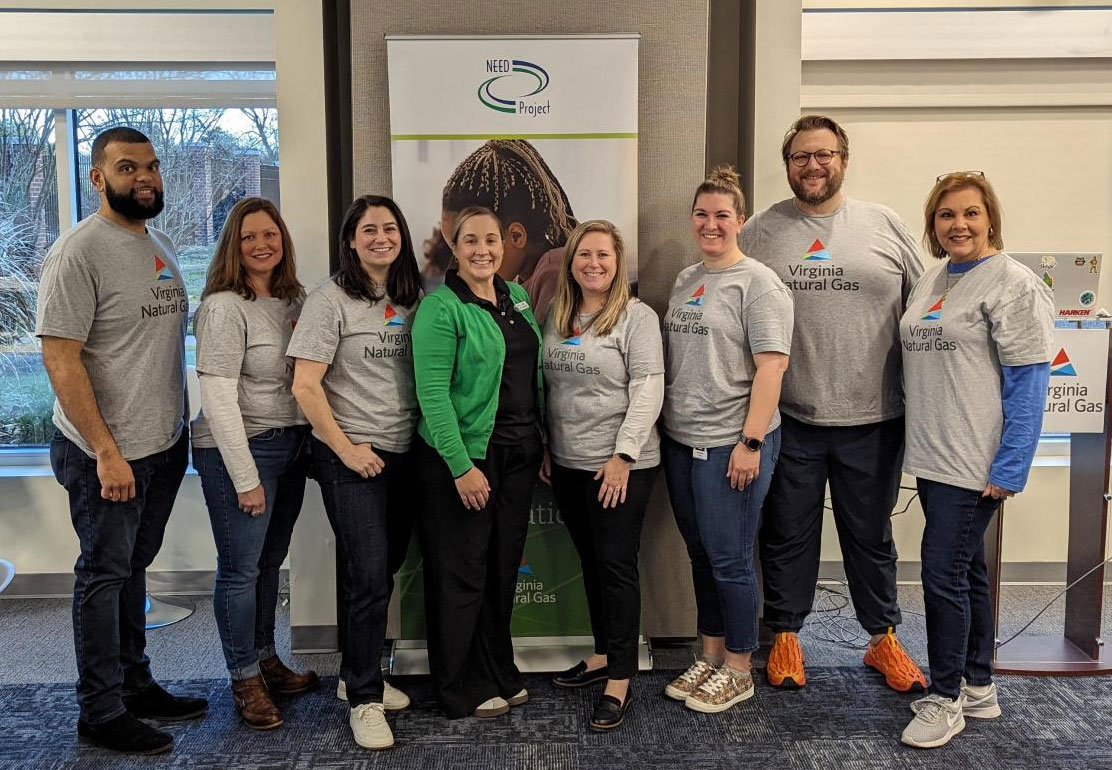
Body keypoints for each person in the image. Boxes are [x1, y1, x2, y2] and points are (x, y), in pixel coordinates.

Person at [739, 115, 927, 692]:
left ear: (843, 159)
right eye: (800, 156)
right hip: (790, 418)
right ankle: (788, 637)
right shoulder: (760, 231)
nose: (812, 165)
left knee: (870, 535)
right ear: (788, 163)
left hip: (875, 419)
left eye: (823, 155)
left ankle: (883, 640)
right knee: (786, 533)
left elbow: (923, 310)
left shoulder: (884, 225)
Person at [35, 126, 206, 755]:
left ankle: (137, 684)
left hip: (161, 444)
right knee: (103, 576)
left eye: (152, 167)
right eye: (129, 168)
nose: (146, 178)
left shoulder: (154, 240)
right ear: (97, 178)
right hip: (104, 451)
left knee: (133, 567)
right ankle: (100, 711)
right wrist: (106, 449)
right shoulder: (77, 252)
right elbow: (60, 359)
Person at [899, 172, 1052, 748]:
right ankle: (978, 685)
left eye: (970, 214)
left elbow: (1029, 382)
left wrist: (1011, 466)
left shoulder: (1014, 283)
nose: (958, 225)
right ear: (933, 224)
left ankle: (945, 697)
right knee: (966, 570)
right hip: (935, 454)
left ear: (990, 219)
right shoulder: (934, 276)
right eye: (946, 215)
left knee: (941, 575)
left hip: (975, 461)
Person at [288, 194, 422, 750]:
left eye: (389, 228)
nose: (380, 238)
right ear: (350, 239)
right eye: (368, 230)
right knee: (368, 578)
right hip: (351, 458)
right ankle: (365, 699)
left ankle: (354, 672)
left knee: (380, 570)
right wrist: (345, 449)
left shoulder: (414, 298)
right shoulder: (329, 300)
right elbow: (304, 384)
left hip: (406, 453)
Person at [660, 166, 793, 714]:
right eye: (702, 214)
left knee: (732, 559)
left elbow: (772, 367)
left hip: (731, 444)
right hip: (680, 439)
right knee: (701, 554)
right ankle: (710, 653)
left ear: (740, 220)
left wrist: (751, 443)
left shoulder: (759, 283)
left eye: (722, 216)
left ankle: (740, 665)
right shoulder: (687, 278)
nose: (711, 224)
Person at [411, 205, 544, 719]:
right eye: (471, 241)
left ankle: (496, 668)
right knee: (461, 574)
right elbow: (432, 394)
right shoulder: (440, 308)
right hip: (464, 458)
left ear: (505, 244)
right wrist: (462, 466)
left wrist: (542, 439)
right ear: (455, 247)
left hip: (518, 453)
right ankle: (457, 686)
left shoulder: (517, 297)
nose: (483, 249)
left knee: (500, 570)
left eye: (491, 239)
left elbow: (529, 376)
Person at [190, 197, 316, 730]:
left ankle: (266, 659)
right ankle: (244, 679)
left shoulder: (293, 298)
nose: (262, 245)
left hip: (289, 445)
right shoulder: (224, 306)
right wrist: (245, 477)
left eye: (270, 235)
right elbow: (217, 397)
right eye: (248, 238)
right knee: (240, 570)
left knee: (268, 563)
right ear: (232, 247)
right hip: (237, 449)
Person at [541, 220, 664, 731]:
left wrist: (623, 456)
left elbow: (649, 385)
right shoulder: (558, 314)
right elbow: (548, 388)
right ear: (571, 262)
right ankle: (600, 655)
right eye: (585, 254)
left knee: (615, 566)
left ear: (618, 265)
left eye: (604, 256)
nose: (594, 263)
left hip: (620, 466)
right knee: (591, 562)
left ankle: (620, 676)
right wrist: (549, 445)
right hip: (567, 463)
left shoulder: (637, 317)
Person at [438, 139, 578, 320]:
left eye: (473, 243)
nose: (461, 263)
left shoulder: (554, 272)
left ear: (516, 236)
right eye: (455, 250)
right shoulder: (521, 280)